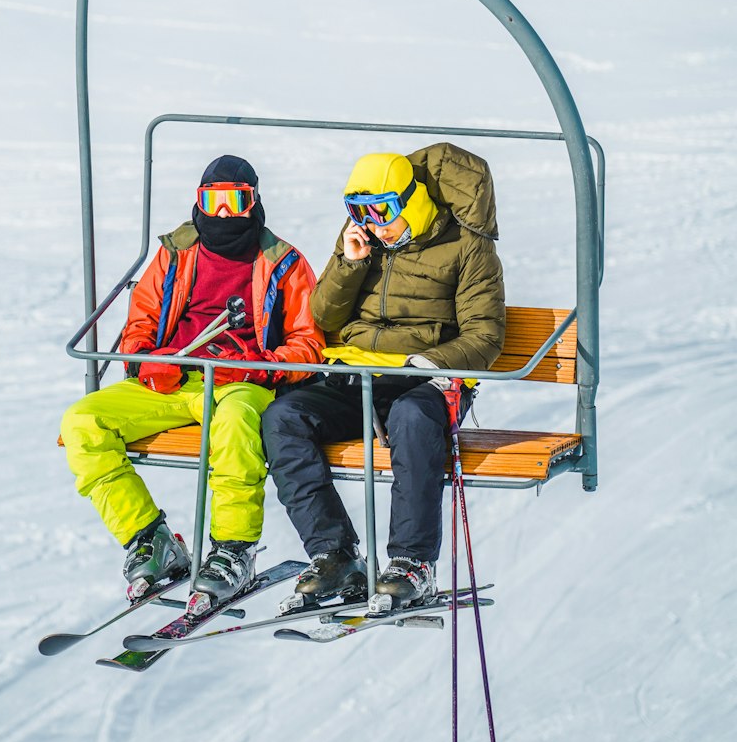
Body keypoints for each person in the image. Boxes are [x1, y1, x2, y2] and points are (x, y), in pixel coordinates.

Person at [60, 156, 324, 606]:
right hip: (173, 381)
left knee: (236, 423)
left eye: (234, 202)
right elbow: (139, 321)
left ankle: (232, 551)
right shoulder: (176, 253)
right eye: (213, 201)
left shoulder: (283, 262)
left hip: (237, 382)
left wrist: (261, 365)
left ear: (253, 203)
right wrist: (144, 360)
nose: (223, 214)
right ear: (198, 201)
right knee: (83, 422)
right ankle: (149, 539)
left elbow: (308, 344)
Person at [261, 144, 505, 612]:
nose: (371, 220)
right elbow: (324, 313)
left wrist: (430, 364)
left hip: (426, 381)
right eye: (358, 211)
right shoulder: (362, 238)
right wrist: (350, 262)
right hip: (359, 377)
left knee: (412, 421)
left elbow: (486, 334)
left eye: (382, 209)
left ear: (410, 199)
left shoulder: (468, 246)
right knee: (285, 417)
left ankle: (412, 562)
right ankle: (334, 555)